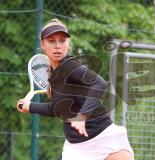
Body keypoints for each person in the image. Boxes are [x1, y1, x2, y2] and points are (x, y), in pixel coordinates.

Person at [16, 18, 134, 160]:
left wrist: (82, 116)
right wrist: (30, 106)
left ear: (68, 43)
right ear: (43, 45)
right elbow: (57, 109)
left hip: (103, 138)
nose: (57, 46)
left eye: (62, 40)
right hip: (76, 147)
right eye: (51, 41)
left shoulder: (70, 66)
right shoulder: (54, 76)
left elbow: (99, 83)